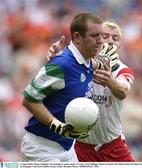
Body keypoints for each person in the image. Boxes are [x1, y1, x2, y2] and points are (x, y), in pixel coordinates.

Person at [21, 12, 103, 162]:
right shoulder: (61, 65)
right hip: (41, 148)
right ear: (77, 37)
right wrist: (56, 125)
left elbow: (102, 64)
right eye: (94, 36)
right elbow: (28, 100)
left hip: (67, 148)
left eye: (101, 36)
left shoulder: (89, 62)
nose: (100, 41)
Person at [48, 21, 135, 162]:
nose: (110, 41)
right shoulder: (76, 64)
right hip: (79, 147)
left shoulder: (122, 70)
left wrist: (109, 81)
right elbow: (53, 81)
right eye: (105, 36)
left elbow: (123, 91)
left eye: (115, 38)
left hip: (112, 146)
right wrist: (55, 61)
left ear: (120, 44)